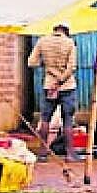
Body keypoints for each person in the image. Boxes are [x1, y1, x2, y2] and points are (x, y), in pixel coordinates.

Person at [27, 22, 80, 162]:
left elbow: (31, 62)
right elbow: (72, 67)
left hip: (49, 85)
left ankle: (43, 153)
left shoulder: (42, 41)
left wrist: (47, 67)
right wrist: (61, 79)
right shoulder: (69, 43)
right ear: (66, 31)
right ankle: (70, 154)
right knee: (68, 121)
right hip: (67, 86)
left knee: (45, 119)